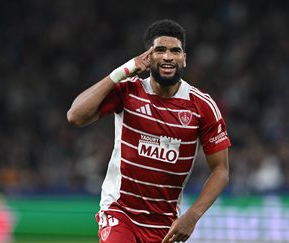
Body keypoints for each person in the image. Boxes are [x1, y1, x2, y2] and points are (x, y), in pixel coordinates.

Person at [67, 19, 230, 243]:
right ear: (147, 56)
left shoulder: (202, 106)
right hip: (120, 212)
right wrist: (122, 71)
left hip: (165, 225)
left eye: (175, 51)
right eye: (160, 50)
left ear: (184, 59)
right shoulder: (129, 91)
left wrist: (192, 216)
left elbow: (221, 170)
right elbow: (75, 116)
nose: (168, 56)